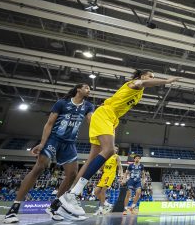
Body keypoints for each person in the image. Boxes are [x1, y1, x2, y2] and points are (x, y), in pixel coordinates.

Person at [59, 69, 180, 216]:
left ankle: (65, 199)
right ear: (142, 76)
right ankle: (72, 195)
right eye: (150, 76)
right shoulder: (135, 84)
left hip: (111, 118)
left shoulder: (139, 92)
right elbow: (142, 82)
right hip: (105, 114)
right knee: (110, 150)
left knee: (91, 159)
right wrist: (166, 81)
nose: (152, 79)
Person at [4, 83, 94, 223]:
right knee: (40, 167)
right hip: (54, 139)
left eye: (90, 89)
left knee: (72, 174)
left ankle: (54, 207)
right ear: (78, 89)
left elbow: (91, 122)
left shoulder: (88, 106)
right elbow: (49, 123)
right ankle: (13, 209)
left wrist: (107, 122)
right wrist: (42, 143)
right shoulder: (62, 103)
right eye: (86, 87)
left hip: (69, 143)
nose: (89, 90)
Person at [93, 144, 123, 216]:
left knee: (103, 191)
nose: (115, 150)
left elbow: (120, 166)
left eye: (116, 149)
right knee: (96, 191)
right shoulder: (106, 157)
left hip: (110, 175)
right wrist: (99, 170)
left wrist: (121, 174)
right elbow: (102, 166)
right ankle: (106, 204)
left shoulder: (116, 157)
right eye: (114, 149)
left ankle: (101, 208)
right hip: (104, 175)